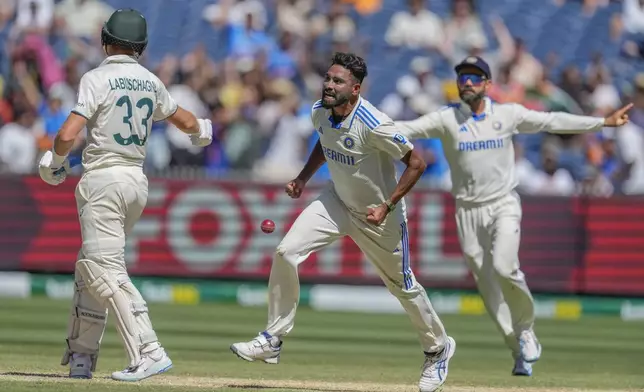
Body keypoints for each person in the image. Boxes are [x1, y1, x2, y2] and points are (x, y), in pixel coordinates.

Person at [230, 52, 455, 392]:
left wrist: (387, 205)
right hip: (336, 201)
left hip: (378, 216)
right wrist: (303, 178)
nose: (329, 85)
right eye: (328, 78)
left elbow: (417, 164)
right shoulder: (319, 111)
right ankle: (272, 339)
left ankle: (438, 349)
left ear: (355, 89)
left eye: (338, 81)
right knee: (286, 252)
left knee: (402, 286)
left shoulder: (373, 122)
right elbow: (325, 142)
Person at [395, 56, 632, 377]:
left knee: (506, 267)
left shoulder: (507, 114)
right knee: (488, 287)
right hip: (467, 211)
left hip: (503, 204)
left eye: (475, 77)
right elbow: (405, 128)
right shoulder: (447, 118)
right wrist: (359, 122)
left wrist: (601, 123)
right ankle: (516, 346)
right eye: (462, 76)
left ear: (488, 84)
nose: (467, 82)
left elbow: (550, 121)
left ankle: (526, 330)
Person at [37, 8, 213, 382]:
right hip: (135, 182)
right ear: (142, 47)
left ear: (104, 39)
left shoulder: (97, 78)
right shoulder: (150, 81)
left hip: (103, 182)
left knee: (105, 270)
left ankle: (149, 350)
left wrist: (55, 161)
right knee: (90, 267)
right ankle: (82, 358)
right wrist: (202, 131)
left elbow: (68, 134)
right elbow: (182, 118)